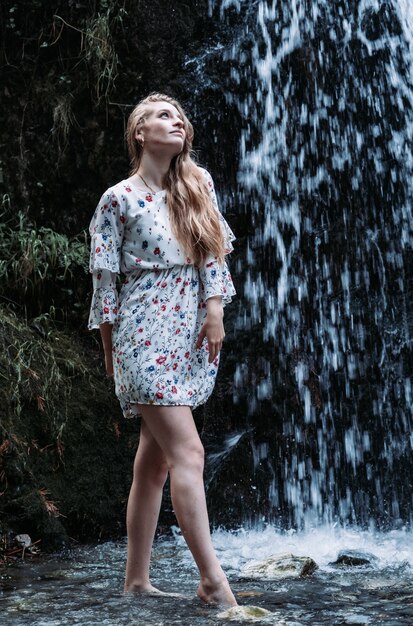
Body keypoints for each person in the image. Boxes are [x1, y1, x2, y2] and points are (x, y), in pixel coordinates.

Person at [88, 93, 237, 606]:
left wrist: (214, 310)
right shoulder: (117, 199)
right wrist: (111, 351)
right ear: (140, 133)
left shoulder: (198, 185)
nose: (176, 122)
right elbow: (106, 283)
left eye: (179, 116)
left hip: (186, 333)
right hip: (141, 336)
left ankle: (136, 580)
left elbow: (213, 252)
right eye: (162, 116)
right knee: (188, 452)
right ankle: (214, 581)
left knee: (152, 465)